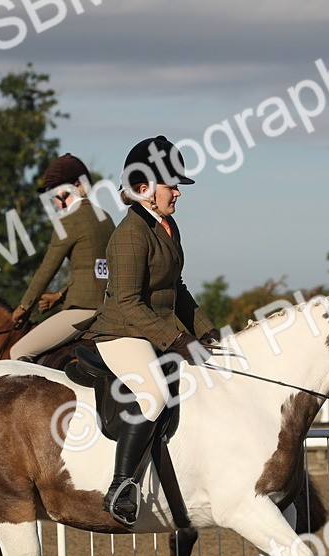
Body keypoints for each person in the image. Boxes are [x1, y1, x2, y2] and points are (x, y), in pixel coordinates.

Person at [82, 135, 220, 525]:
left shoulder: (167, 226)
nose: (178, 192)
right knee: (155, 393)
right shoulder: (129, 234)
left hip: (150, 331)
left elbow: (177, 288)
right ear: (143, 188)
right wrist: (176, 339)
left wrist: (208, 332)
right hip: (122, 333)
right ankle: (121, 487)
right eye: (170, 185)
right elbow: (127, 302)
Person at [9, 154, 116, 360]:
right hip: (109, 306)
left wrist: (23, 307)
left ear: (77, 185)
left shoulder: (68, 222)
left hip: (83, 312)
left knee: (18, 351)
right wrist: (58, 297)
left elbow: (47, 270)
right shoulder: (106, 218)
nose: (54, 202)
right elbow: (96, 271)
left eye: (55, 193)